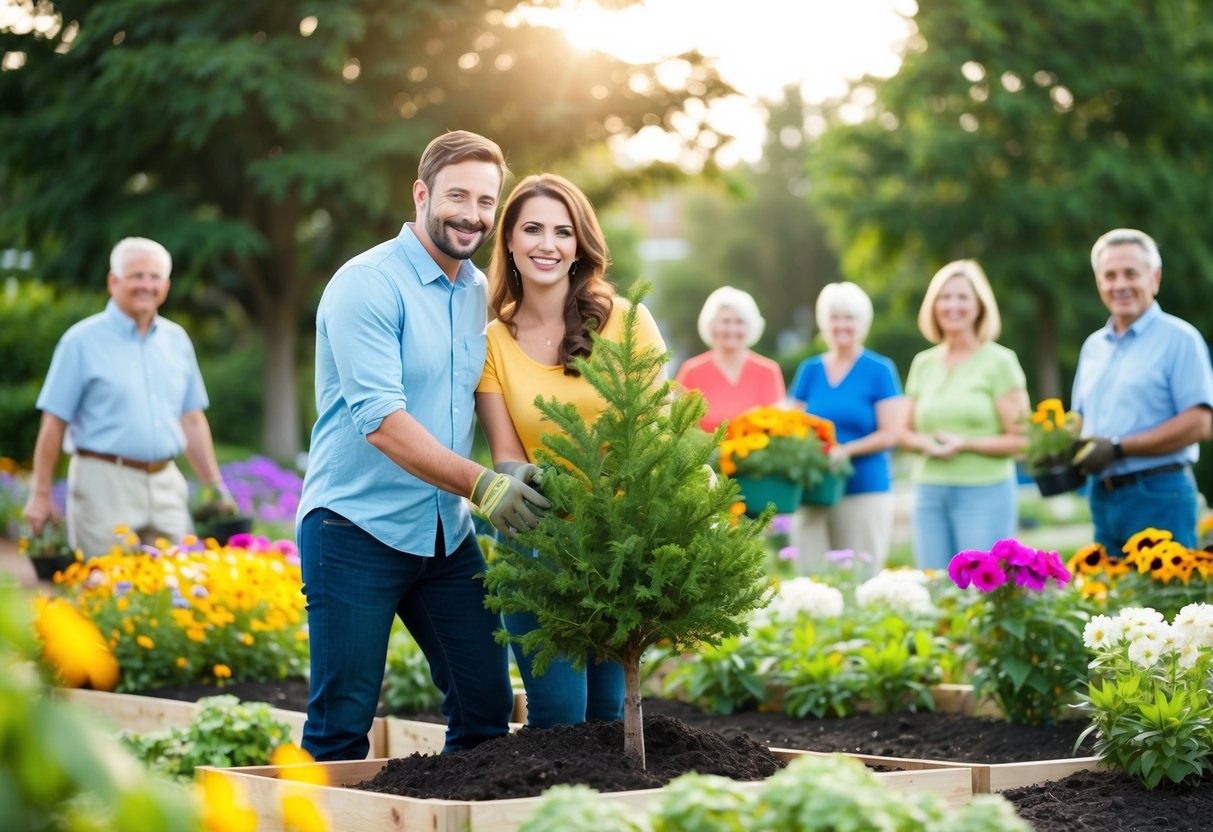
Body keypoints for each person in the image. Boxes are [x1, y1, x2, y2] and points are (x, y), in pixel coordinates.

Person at [296, 131, 549, 761]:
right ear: (421, 193)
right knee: (342, 721)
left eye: (486, 202)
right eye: (457, 195)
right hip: (354, 528)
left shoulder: (475, 293)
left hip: (443, 531)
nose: (472, 214)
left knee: (486, 707)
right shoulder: (367, 284)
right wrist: (486, 484)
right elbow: (381, 419)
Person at [475, 173, 667, 728]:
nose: (547, 244)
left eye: (563, 232)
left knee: (610, 715)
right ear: (508, 240)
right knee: (559, 716)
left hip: (619, 541)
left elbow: (655, 432)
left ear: (579, 244)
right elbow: (506, 458)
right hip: (537, 542)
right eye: (532, 229)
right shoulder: (492, 341)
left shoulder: (628, 321)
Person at [23, 237, 232, 558]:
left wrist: (214, 486)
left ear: (166, 285)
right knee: (106, 587)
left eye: (154, 277)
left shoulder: (177, 341)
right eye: (137, 276)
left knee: (184, 585)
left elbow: (191, 420)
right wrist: (40, 494)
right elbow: (53, 423)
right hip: (103, 485)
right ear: (113, 281)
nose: (146, 285)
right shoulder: (80, 342)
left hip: (166, 483)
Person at [1071, 228, 1213, 552]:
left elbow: (1200, 423)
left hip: (1160, 492)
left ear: (1154, 278)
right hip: (1102, 496)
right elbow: (1080, 417)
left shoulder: (1180, 339)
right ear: (1099, 283)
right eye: (1109, 276)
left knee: (1165, 602)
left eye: (1131, 273)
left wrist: (1120, 448)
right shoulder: (1093, 346)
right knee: (1109, 600)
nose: (1119, 284)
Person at [897, 260, 1029, 570]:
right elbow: (902, 432)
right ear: (933, 306)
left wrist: (966, 443)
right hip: (929, 491)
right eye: (945, 297)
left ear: (979, 307)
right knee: (935, 590)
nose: (952, 305)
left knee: (981, 593)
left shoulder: (1000, 362)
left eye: (962, 297)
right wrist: (924, 444)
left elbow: (1022, 440)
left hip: (984, 492)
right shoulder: (923, 363)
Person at [788, 282, 905, 576]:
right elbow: (792, 425)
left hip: (863, 489)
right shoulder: (810, 370)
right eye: (834, 317)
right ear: (823, 323)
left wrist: (846, 450)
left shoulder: (880, 370)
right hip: (813, 490)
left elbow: (891, 434)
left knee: (859, 580)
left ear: (862, 323)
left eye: (849, 317)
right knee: (811, 578)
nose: (841, 325)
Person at [675, 286, 785, 433]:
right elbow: (678, 426)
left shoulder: (769, 371)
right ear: (712, 326)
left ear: (750, 327)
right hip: (705, 455)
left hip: (754, 454)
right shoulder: (691, 371)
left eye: (740, 322)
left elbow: (778, 428)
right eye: (726, 321)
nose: (732, 329)